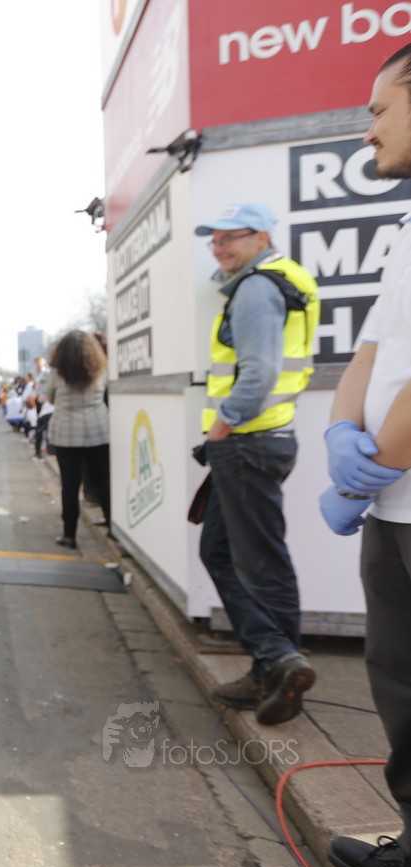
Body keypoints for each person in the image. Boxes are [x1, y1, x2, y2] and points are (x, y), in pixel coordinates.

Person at [320, 45, 411, 867]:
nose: (366, 129)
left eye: (379, 110)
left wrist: (376, 456)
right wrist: (339, 435)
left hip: (396, 487)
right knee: (396, 679)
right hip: (391, 505)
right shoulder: (404, 229)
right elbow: (372, 349)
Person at [192, 200, 320, 726]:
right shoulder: (277, 282)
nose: (219, 248)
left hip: (247, 442)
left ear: (262, 238)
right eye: (215, 240)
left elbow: (259, 373)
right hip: (260, 440)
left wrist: (221, 428)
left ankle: (277, 660)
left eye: (230, 238)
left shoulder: (256, 288)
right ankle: (272, 666)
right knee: (224, 551)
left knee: (258, 562)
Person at [45, 330, 110, 550]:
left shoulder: (57, 373)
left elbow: (50, 398)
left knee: (70, 487)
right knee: (103, 481)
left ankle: (69, 535)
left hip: (67, 435)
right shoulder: (101, 370)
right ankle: (112, 526)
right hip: (98, 431)